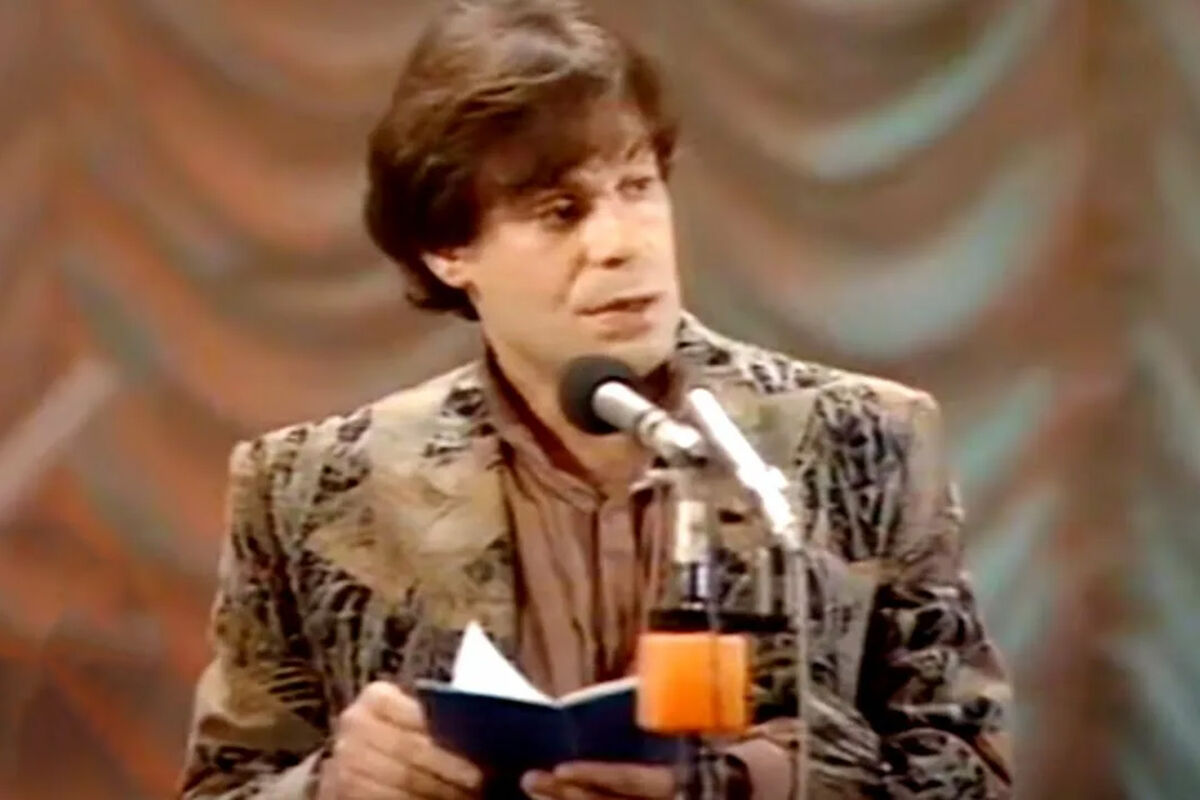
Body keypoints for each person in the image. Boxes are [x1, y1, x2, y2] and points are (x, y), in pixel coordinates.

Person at [178, 0, 1013, 798]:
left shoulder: (863, 441)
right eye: (560, 211)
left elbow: (965, 769)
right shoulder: (308, 489)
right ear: (447, 250)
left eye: (637, 186)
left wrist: (750, 782)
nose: (621, 244)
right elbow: (228, 786)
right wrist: (334, 784)